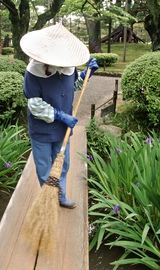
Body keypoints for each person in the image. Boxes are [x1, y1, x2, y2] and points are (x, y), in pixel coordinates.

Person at [20, 23, 99, 209]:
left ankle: (61, 195)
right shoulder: (33, 73)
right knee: (44, 165)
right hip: (42, 129)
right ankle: (47, 197)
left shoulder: (68, 68)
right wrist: (61, 116)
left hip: (63, 129)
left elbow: (73, 87)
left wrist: (87, 74)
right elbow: (35, 105)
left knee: (63, 164)